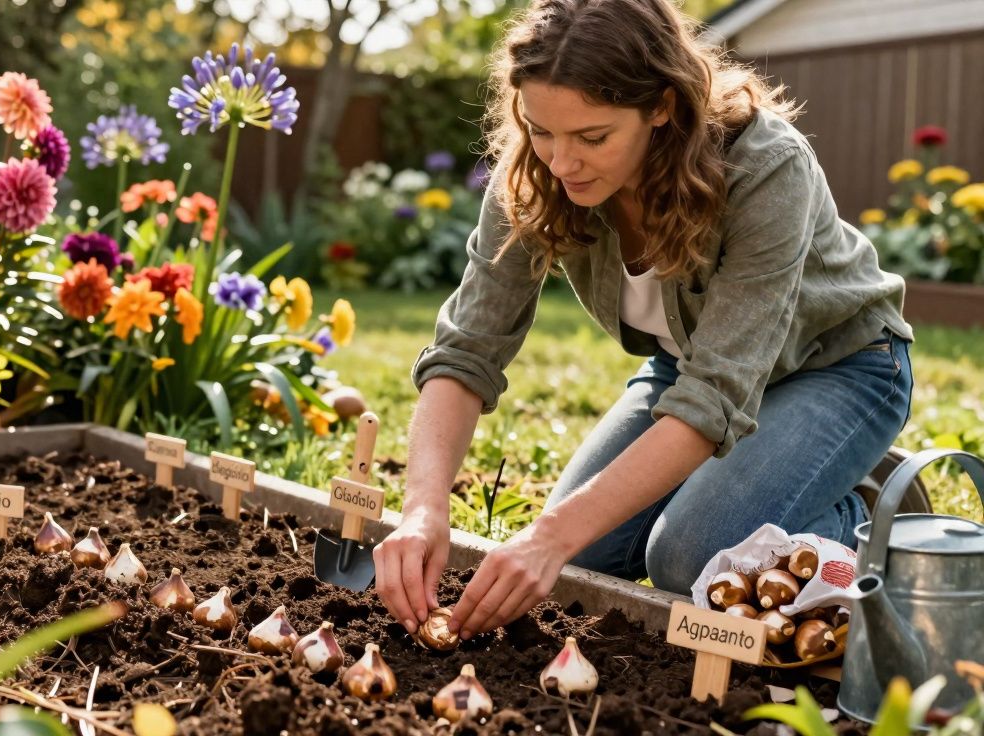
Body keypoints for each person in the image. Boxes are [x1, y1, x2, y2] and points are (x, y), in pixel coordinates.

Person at [372, 0, 914, 642]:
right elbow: (466, 351)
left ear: (661, 106)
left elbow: (715, 396)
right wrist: (421, 509)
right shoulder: (534, 176)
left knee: (689, 558)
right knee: (582, 552)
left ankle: (876, 515)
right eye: (541, 131)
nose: (560, 162)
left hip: (842, 368)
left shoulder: (764, 166)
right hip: (688, 370)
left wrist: (545, 537)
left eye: (592, 138)